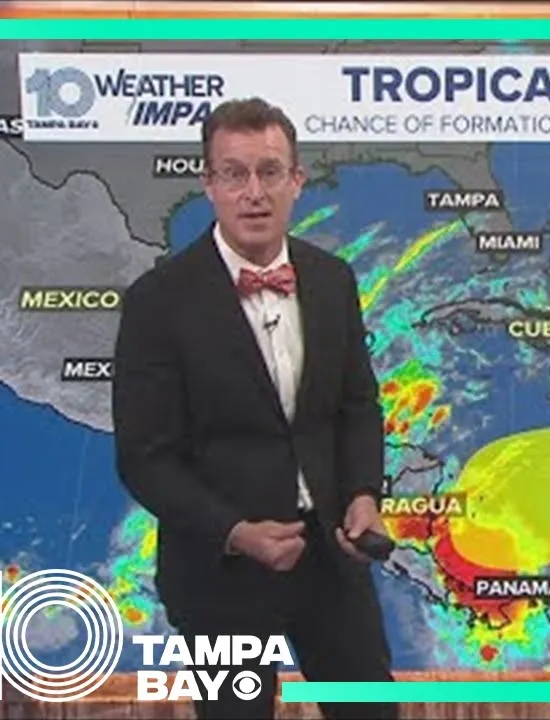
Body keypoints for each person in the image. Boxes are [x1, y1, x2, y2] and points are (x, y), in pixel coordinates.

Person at [112, 98, 397, 720]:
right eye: (234, 174)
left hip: (329, 562)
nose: (254, 193)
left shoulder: (332, 280)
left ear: (297, 181)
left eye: (270, 172)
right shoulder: (158, 301)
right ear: (209, 184)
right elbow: (145, 457)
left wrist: (362, 494)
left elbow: (357, 405)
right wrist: (238, 533)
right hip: (219, 574)